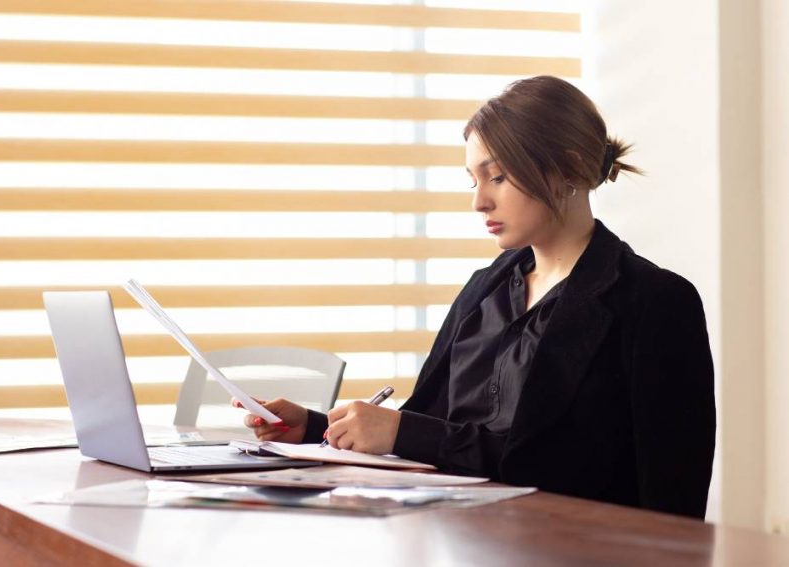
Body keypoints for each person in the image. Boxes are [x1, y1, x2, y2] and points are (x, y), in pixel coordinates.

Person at [236, 75, 716, 519]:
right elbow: (429, 429)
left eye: (497, 177)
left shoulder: (656, 303)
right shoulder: (483, 289)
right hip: (452, 538)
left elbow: (666, 497)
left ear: (567, 168)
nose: (479, 201)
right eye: (473, 180)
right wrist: (317, 428)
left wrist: (404, 432)